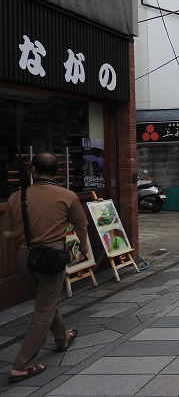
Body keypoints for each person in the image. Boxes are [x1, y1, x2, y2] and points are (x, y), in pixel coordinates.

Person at [2, 152, 89, 383]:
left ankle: (62, 338)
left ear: (32, 170)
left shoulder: (15, 197)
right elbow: (81, 225)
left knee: (45, 301)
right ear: (57, 171)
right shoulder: (67, 196)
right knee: (44, 308)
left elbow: (8, 233)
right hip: (51, 256)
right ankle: (22, 365)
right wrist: (85, 249)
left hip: (25, 256)